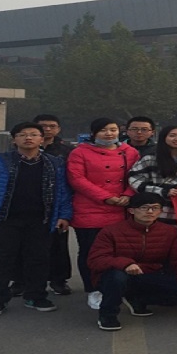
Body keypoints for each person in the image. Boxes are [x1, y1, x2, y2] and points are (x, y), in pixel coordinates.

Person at [0, 122, 72, 317]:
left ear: (41, 139)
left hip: (41, 220)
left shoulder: (54, 163)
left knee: (39, 259)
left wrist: (64, 215)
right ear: (14, 140)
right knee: (2, 260)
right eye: (22, 134)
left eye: (33, 134)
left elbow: (63, 191)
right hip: (5, 220)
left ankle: (36, 296)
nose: (28, 138)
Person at [87, 192, 177, 331]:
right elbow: (96, 260)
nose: (150, 212)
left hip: (149, 275)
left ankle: (138, 299)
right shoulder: (111, 231)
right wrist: (126, 264)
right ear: (131, 210)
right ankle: (107, 315)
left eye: (155, 208)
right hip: (118, 275)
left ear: (161, 211)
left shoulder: (170, 232)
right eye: (144, 207)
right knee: (117, 277)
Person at [67, 118, 140, 310]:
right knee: (91, 252)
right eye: (103, 130)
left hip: (121, 209)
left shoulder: (130, 152)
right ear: (93, 133)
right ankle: (94, 289)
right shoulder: (80, 152)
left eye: (113, 130)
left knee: (121, 252)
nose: (109, 134)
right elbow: (77, 179)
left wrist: (128, 195)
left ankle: (117, 287)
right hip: (90, 209)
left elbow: (137, 177)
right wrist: (106, 197)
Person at [9, 113, 76, 298]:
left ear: (58, 129)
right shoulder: (18, 150)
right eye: (43, 126)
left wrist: (65, 210)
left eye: (52, 126)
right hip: (27, 206)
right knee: (21, 246)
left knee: (58, 246)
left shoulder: (67, 150)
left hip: (56, 204)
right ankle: (20, 281)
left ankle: (58, 280)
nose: (47, 129)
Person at [128, 125, 177, 225]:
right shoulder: (151, 158)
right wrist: (163, 191)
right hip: (154, 207)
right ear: (164, 137)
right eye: (172, 135)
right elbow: (135, 180)